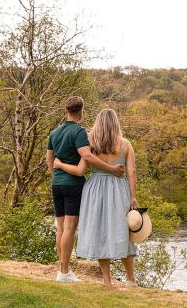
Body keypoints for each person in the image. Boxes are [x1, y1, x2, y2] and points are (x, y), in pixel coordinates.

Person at [54, 108, 139, 286]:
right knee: (123, 232)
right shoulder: (125, 144)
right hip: (118, 190)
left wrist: (59, 164)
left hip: (94, 190)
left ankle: (107, 281)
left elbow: (81, 169)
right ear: (116, 123)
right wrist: (133, 197)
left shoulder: (91, 143)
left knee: (100, 232)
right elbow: (131, 172)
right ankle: (131, 279)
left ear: (98, 123)